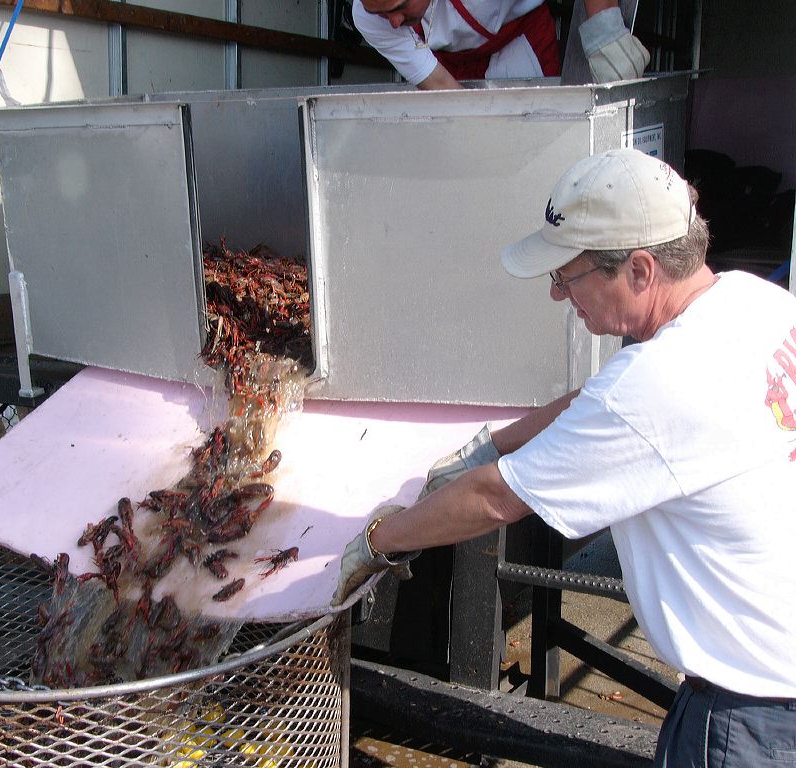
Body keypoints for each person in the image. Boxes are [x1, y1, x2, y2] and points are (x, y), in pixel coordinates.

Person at [333, 148, 796, 766]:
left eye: (568, 275)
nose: (556, 294)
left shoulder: (660, 382)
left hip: (749, 712)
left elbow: (495, 498)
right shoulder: (750, 299)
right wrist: (492, 442)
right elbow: (600, 399)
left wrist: (377, 543)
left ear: (638, 270)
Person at [353, 0, 650, 89]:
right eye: (380, 12)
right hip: (449, 64)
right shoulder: (367, 17)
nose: (392, 22)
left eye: (400, 6)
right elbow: (443, 86)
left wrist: (604, 29)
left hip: (521, 36)